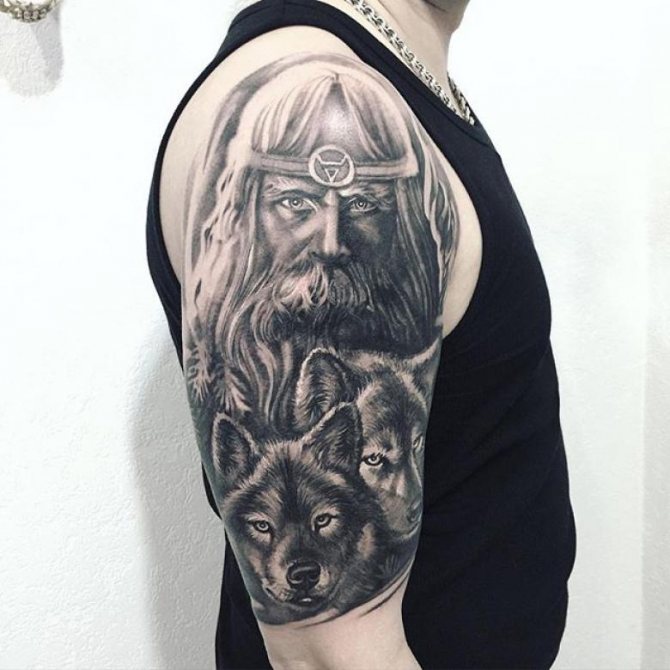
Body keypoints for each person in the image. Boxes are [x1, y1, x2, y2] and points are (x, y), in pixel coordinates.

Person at [146, 1, 577, 668]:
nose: (330, 241)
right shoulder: (324, 108)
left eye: (366, 205)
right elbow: (324, 657)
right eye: (297, 204)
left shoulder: (400, 79)